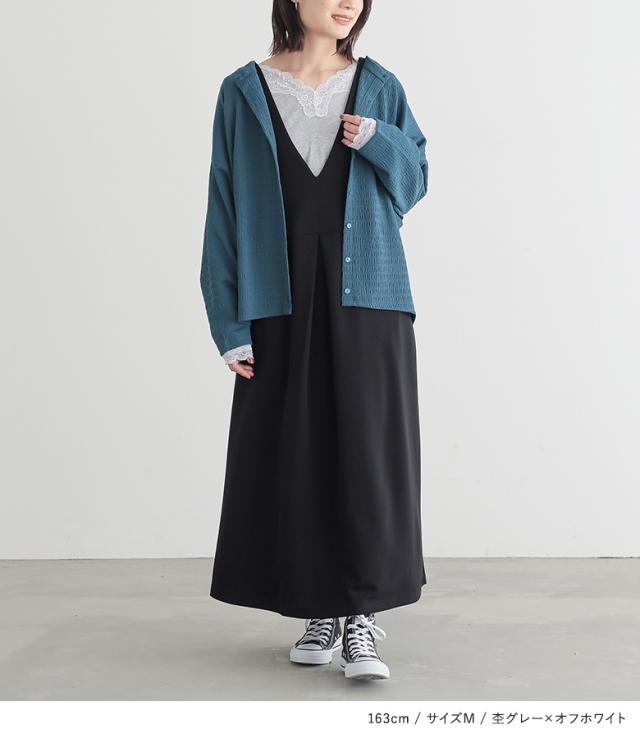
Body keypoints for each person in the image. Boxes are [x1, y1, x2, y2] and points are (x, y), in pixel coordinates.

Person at [200, 0, 429, 681]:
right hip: (277, 296)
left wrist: (379, 140)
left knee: (367, 454)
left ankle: (362, 616)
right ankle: (319, 608)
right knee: (296, 454)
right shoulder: (244, 91)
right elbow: (223, 206)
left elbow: (415, 183)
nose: (348, 2)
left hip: (370, 295)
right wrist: (229, 324)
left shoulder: (378, 85)